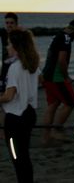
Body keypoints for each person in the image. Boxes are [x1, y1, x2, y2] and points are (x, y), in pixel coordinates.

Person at [0, 29, 40, 183]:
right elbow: (40, 80)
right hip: (29, 114)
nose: (7, 47)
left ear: (17, 46)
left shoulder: (15, 67)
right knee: (24, 156)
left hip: (15, 118)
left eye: (9, 44)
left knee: (17, 158)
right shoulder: (32, 64)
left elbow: (9, 96)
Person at [41, 19, 74, 144]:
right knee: (71, 102)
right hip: (56, 77)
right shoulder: (66, 38)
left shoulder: (58, 35)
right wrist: (66, 77)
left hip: (47, 76)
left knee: (52, 105)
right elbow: (61, 60)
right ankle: (56, 131)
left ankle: (45, 137)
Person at [0, 12, 19, 92]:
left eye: (11, 23)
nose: (9, 25)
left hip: (16, 70)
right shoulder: (3, 33)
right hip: (5, 70)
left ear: (16, 24)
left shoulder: (20, 36)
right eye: (7, 23)